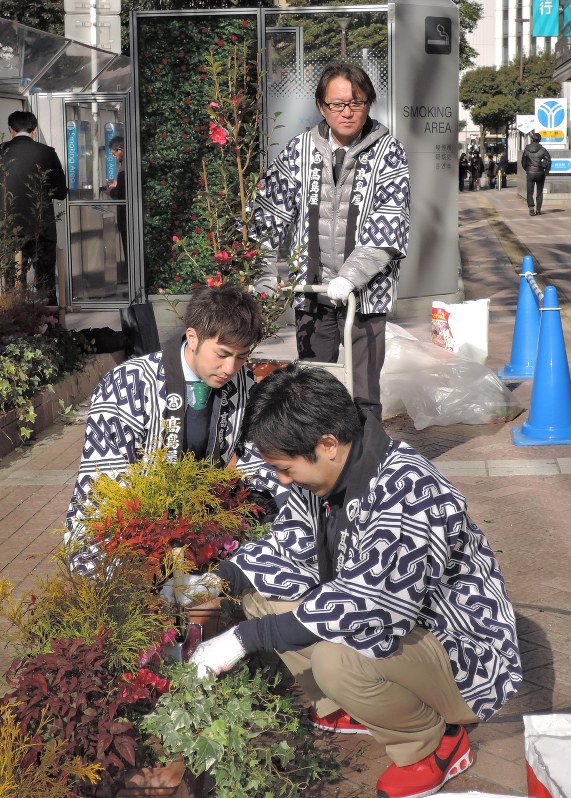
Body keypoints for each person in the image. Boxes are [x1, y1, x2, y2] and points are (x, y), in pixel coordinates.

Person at [186, 364, 522, 798]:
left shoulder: (408, 489)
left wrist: (243, 640)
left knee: (335, 660)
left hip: (464, 653)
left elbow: (371, 606)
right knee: (262, 597)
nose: (282, 480)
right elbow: (291, 546)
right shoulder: (332, 470)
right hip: (403, 628)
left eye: (286, 469)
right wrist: (207, 584)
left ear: (327, 444)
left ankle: (431, 741)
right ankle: (349, 707)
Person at [65, 284, 281, 571]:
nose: (230, 368)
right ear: (192, 337)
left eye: (241, 357)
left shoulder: (245, 385)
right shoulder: (127, 384)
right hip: (132, 527)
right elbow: (103, 483)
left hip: (204, 525)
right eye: (222, 353)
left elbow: (260, 458)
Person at [251, 61, 410, 419]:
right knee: (313, 383)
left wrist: (349, 278)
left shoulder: (389, 152)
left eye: (356, 102)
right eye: (337, 104)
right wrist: (262, 267)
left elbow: (389, 222)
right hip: (312, 289)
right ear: (322, 107)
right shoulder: (299, 149)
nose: (347, 111)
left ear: (368, 103)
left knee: (364, 390)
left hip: (366, 294)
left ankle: (365, 460)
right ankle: (318, 461)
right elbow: (269, 208)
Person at [0, 110, 67, 303]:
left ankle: (16, 326)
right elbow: (61, 192)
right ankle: (49, 326)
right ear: (34, 131)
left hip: (9, 227)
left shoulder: (1, 151)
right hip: (42, 227)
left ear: (10, 130)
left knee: (12, 283)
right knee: (44, 281)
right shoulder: (47, 152)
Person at [105, 135, 127, 279]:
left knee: (128, 248)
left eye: (114, 153)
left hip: (125, 217)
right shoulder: (126, 165)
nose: (114, 157)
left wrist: (111, 191)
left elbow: (121, 194)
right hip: (126, 217)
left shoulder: (124, 167)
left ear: (120, 149)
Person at [521, 132, 551, 216]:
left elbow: (523, 161)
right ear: (540, 140)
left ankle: (531, 208)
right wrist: (547, 171)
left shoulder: (527, 149)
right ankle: (538, 209)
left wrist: (527, 169)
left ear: (532, 139)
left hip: (530, 172)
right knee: (539, 192)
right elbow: (548, 160)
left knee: (529, 192)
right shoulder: (543, 150)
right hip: (540, 172)